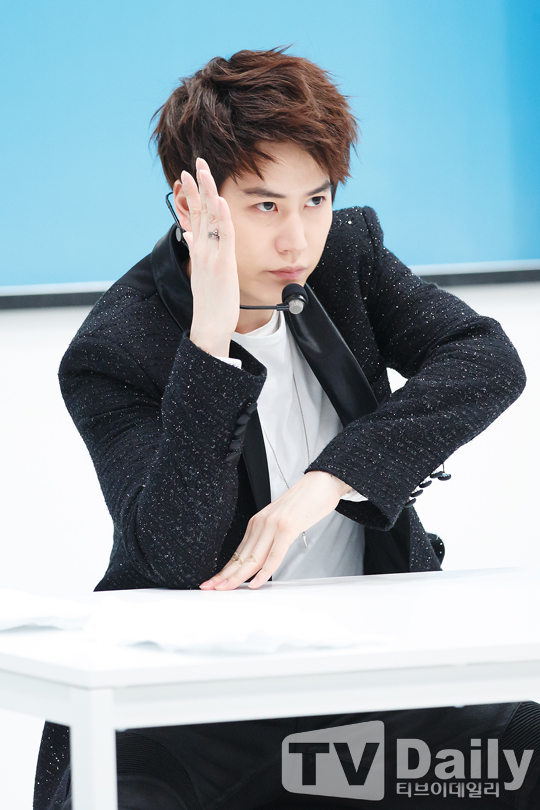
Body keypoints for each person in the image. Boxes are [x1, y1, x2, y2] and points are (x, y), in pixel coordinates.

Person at [33, 46, 537, 810]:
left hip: (368, 696)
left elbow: (486, 361)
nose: (297, 240)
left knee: (522, 754)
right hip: (191, 716)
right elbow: (174, 552)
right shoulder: (117, 349)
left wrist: (332, 478)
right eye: (265, 206)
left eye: (316, 200)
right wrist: (209, 342)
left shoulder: (345, 261)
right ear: (189, 202)